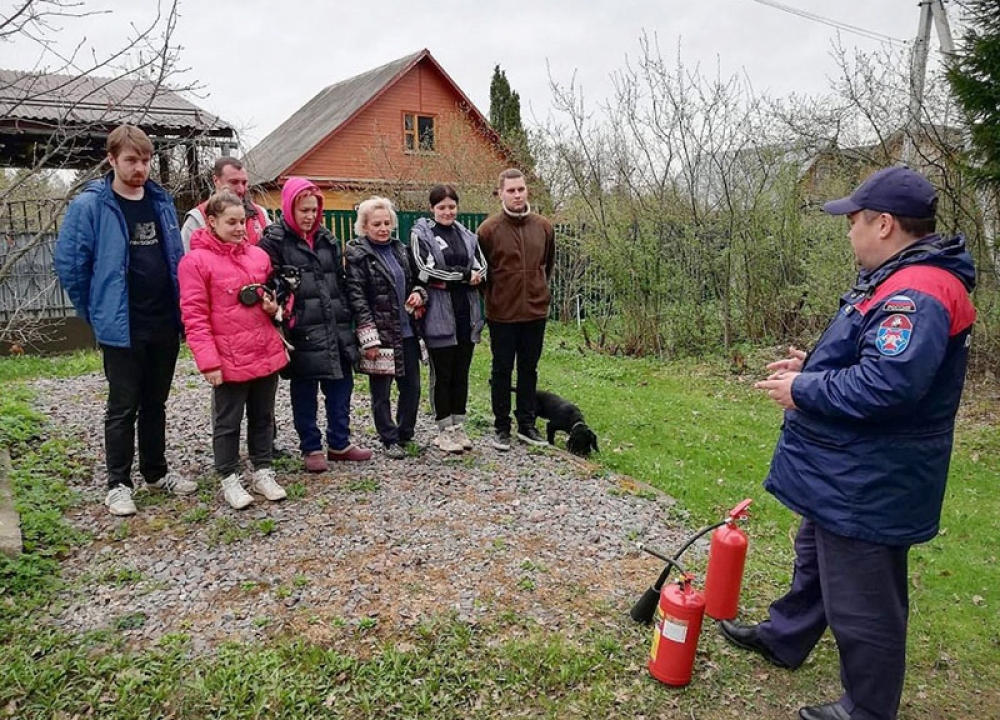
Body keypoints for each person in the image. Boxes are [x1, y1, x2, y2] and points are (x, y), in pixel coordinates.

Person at [720, 166, 976, 720]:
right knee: (814, 558)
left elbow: (889, 385)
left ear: (884, 224)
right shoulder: (897, 276)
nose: (849, 231)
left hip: (874, 476)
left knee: (865, 602)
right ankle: (785, 638)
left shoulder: (920, 290)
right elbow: (873, 359)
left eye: (854, 220)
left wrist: (803, 389)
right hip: (845, 467)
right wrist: (810, 365)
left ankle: (866, 708)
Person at [54, 124, 196, 516]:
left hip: (163, 320)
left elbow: (173, 258)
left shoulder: (161, 200)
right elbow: (71, 265)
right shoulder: (91, 205)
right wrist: (95, 312)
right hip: (122, 324)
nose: (140, 168)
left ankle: (155, 472)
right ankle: (118, 484)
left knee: (156, 402)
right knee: (122, 406)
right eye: (131, 160)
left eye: (146, 160)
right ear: (112, 159)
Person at [178, 190, 289, 509]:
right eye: (231, 222)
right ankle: (229, 477)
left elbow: (273, 296)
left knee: (263, 416)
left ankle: (263, 470)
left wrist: (273, 308)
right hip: (227, 357)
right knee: (227, 421)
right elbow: (194, 316)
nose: (240, 228)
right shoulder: (195, 263)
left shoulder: (258, 257)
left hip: (264, 350)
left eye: (243, 221)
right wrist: (208, 362)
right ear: (211, 222)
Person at [259, 178, 372, 472]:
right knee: (305, 391)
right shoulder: (274, 240)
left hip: (334, 324)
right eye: (303, 210)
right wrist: (283, 306)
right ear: (288, 208)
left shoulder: (327, 239)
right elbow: (267, 283)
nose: (309, 216)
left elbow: (340, 279)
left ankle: (340, 443)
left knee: (341, 385)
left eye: (314, 209)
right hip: (302, 329)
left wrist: (349, 316)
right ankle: (310, 446)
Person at [477, 168, 555, 451]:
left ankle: (526, 424)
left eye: (520, 189)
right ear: (500, 194)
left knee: (528, 369)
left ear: (527, 191)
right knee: (501, 370)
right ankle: (501, 427)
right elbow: (481, 273)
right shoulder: (488, 230)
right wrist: (495, 298)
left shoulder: (544, 226)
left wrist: (539, 293)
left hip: (535, 312)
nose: (517, 195)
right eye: (511, 190)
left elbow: (547, 265)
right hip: (502, 314)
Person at [345, 196, 426, 459]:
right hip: (380, 334)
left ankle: (405, 432)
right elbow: (357, 298)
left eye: (386, 223)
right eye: (376, 224)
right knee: (381, 391)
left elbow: (416, 279)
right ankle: (388, 437)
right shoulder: (358, 255)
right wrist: (368, 338)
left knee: (411, 386)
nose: (382, 228)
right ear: (365, 226)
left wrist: (418, 294)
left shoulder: (401, 250)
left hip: (408, 331)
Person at [410, 184, 487, 453]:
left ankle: (458, 424)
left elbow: (481, 267)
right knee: (442, 374)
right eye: (441, 207)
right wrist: (463, 276)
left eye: (451, 206)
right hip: (439, 314)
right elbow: (426, 271)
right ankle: (443, 430)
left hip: (466, 314)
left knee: (461, 373)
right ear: (432, 208)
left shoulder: (466, 235)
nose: (447, 211)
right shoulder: (422, 235)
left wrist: (466, 275)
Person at [181, 157, 270, 251]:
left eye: (244, 183)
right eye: (234, 182)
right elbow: (186, 260)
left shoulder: (260, 214)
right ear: (216, 181)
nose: (241, 189)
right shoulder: (199, 217)